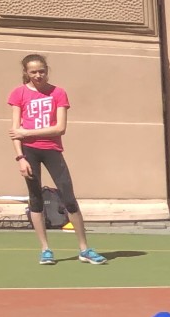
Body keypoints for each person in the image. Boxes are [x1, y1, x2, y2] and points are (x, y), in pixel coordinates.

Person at [7, 54, 105, 266]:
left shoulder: (58, 93)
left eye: (41, 71)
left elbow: (60, 128)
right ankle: (45, 250)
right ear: (26, 73)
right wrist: (20, 157)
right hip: (29, 152)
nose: (38, 75)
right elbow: (15, 131)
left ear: (47, 70)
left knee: (68, 197)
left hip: (52, 150)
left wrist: (27, 132)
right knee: (35, 199)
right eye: (33, 72)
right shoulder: (18, 93)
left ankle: (84, 249)